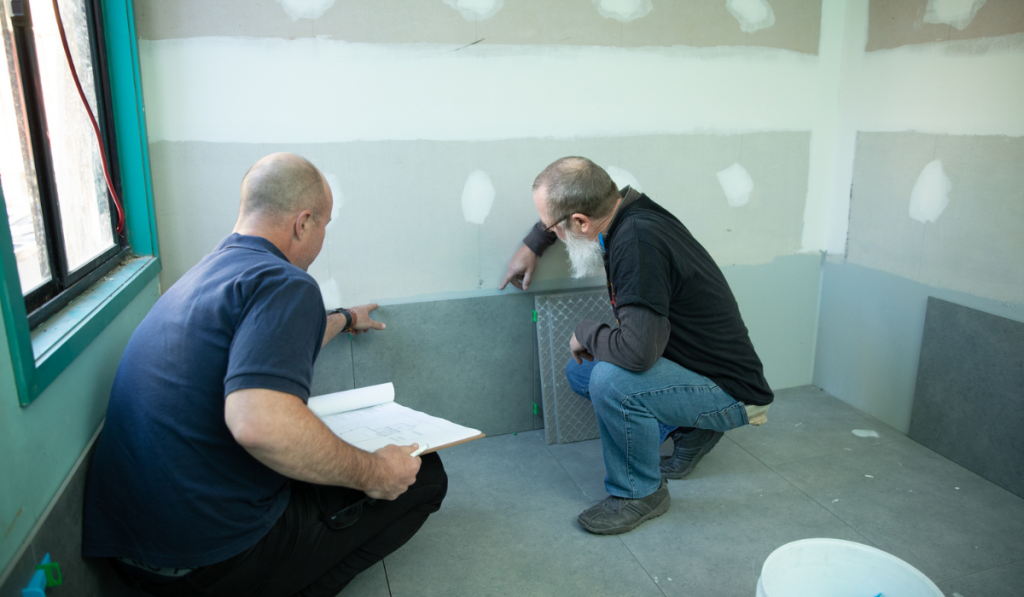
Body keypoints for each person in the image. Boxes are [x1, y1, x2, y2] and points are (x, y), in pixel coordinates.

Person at [83, 153, 447, 596]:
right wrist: (375, 473)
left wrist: (345, 319)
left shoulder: (206, 275)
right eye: (326, 225)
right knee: (424, 476)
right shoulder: (287, 282)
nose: (323, 237)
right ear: (304, 222)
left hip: (130, 552)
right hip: (208, 561)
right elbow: (259, 424)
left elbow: (269, 342)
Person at [499, 156, 772, 535]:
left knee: (611, 380)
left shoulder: (637, 245)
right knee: (582, 373)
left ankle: (639, 493)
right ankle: (692, 430)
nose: (552, 233)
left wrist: (586, 331)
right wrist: (535, 241)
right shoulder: (627, 208)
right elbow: (574, 202)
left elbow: (637, 354)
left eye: (552, 227)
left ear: (580, 221)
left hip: (729, 391)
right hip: (694, 367)